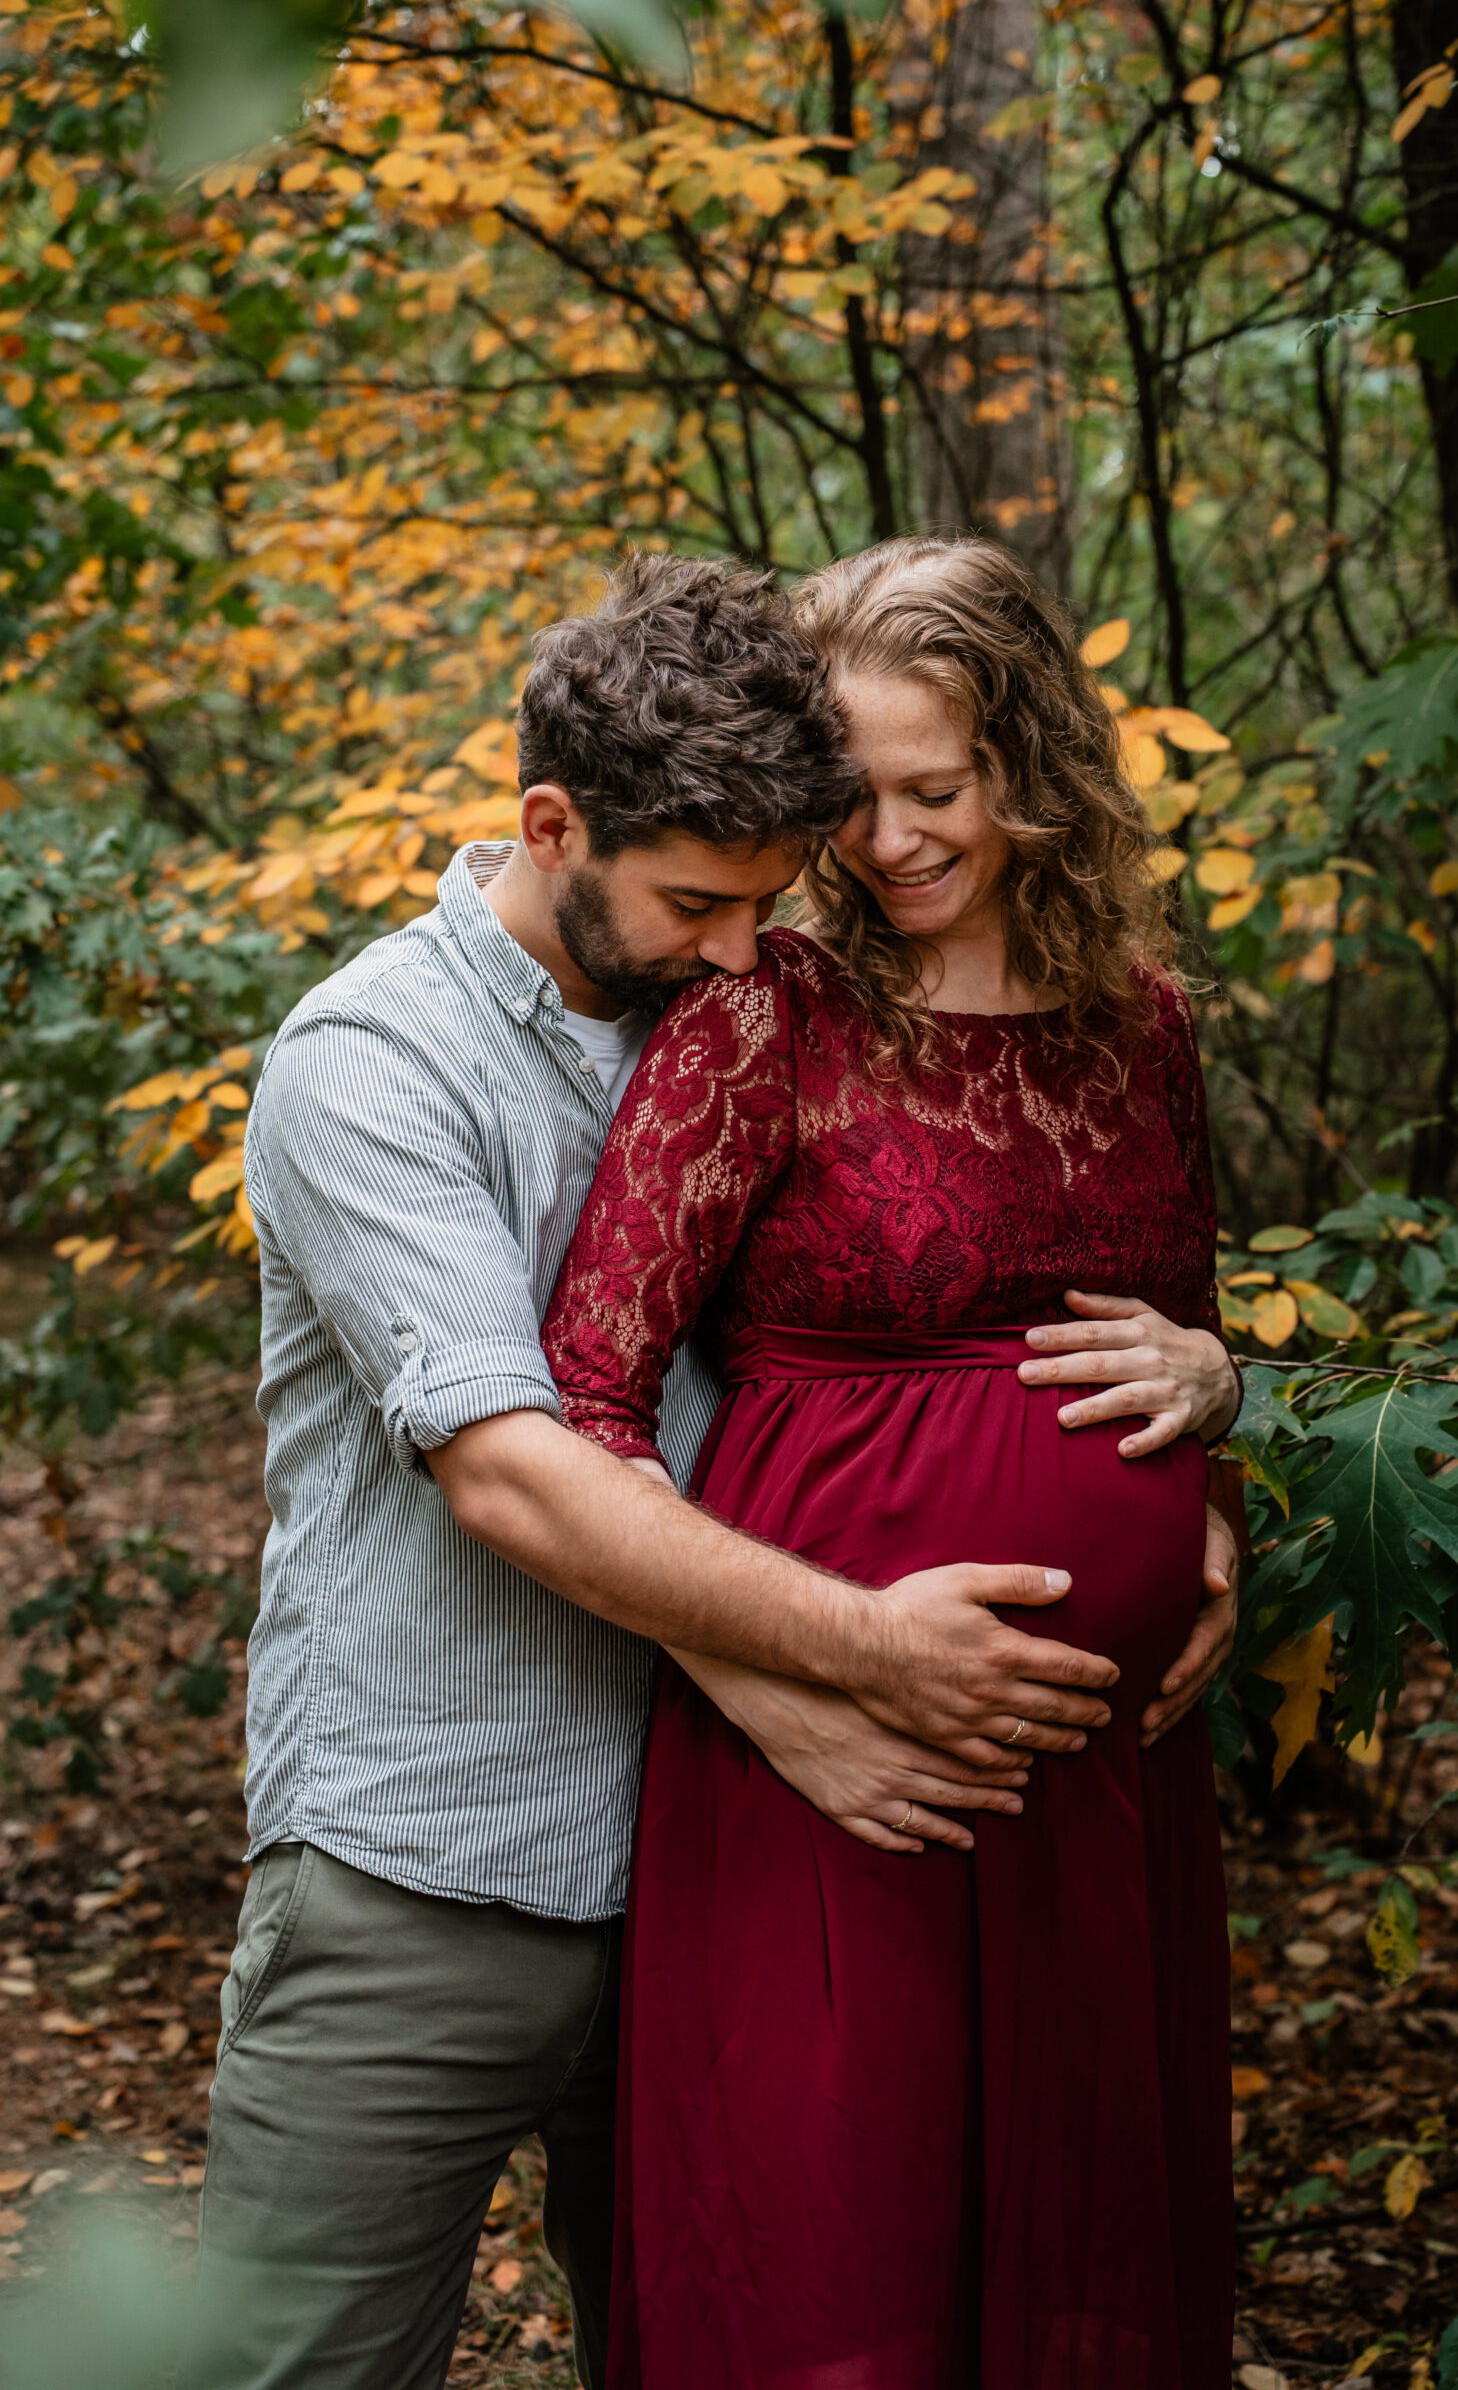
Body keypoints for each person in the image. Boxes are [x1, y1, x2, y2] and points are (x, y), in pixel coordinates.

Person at [190, 551, 1238, 2390]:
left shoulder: (754, 994)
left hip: (718, 1844)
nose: (749, 950)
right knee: (302, 2367)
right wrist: (831, 1665)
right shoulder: (374, 1066)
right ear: (553, 825)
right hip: (445, 1868)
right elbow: (517, 1468)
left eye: (777, 897)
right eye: (699, 903)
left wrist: (1212, 1416)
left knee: (737, 2333)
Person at [545, 535, 1243, 2390]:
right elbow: (587, 1392)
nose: (892, 841)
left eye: (939, 790)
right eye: (856, 800)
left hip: (1095, 1773)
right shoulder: (759, 1013)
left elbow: (1175, 1329)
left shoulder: (1144, 1028)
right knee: (832, 2253)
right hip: (825, 1750)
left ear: (1035, 773)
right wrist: (774, 1676)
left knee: (1077, 2253)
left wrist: (1218, 1470)